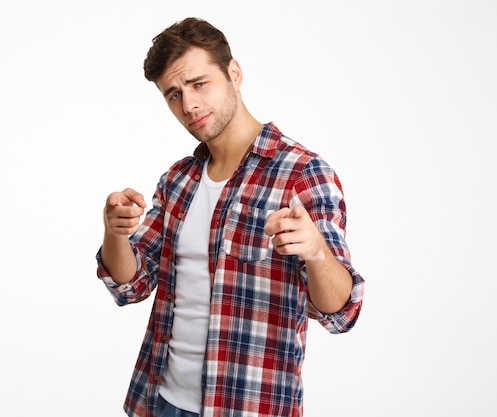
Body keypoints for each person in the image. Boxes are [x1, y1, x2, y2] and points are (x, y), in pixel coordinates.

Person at [96, 17, 364, 417]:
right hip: (160, 402)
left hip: (250, 407)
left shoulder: (302, 173)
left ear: (234, 74)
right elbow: (131, 285)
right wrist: (115, 233)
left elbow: (341, 312)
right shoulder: (177, 182)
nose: (189, 105)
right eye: (173, 94)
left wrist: (317, 253)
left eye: (199, 84)